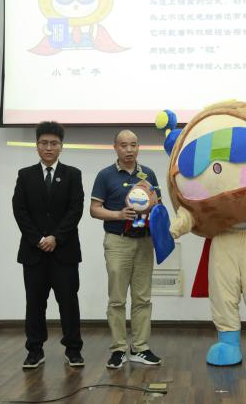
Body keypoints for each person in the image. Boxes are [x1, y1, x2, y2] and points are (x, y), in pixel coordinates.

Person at [12, 121, 85, 369]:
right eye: (44, 143)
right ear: (37, 146)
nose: (49, 147)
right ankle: (34, 350)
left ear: (61, 146)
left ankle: (73, 350)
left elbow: (75, 210)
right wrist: (38, 239)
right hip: (33, 252)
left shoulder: (73, 174)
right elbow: (20, 211)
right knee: (34, 304)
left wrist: (56, 238)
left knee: (68, 303)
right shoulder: (25, 175)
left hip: (64, 251)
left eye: (54, 143)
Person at [90, 129, 162, 369]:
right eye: (124, 145)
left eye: (134, 145)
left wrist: (153, 208)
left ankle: (140, 348)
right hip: (117, 241)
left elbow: (158, 204)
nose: (129, 150)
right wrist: (119, 215)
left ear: (138, 147)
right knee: (117, 299)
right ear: (115, 148)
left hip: (145, 241)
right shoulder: (105, 175)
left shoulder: (148, 174)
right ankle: (119, 349)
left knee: (143, 298)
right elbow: (94, 209)